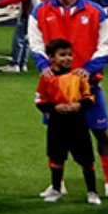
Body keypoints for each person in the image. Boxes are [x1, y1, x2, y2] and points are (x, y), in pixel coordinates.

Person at [27, 0, 108, 201]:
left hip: (87, 86)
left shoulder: (96, 12)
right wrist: (44, 67)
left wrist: (87, 70)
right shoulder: (40, 11)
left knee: (101, 134)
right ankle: (57, 186)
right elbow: (35, 43)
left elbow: (106, 47)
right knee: (56, 138)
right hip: (56, 87)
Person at [35, 38, 101, 205]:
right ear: (51, 58)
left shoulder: (79, 76)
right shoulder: (46, 78)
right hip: (57, 122)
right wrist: (54, 108)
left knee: (86, 158)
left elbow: (90, 98)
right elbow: (39, 100)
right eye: (62, 55)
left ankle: (92, 191)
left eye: (69, 55)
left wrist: (78, 105)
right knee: (56, 156)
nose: (67, 58)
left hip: (78, 122)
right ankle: (57, 189)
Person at [0, 0, 47, 72]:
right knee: (27, 42)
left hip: (25, 18)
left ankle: (15, 64)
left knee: (18, 40)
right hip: (34, 19)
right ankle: (23, 64)